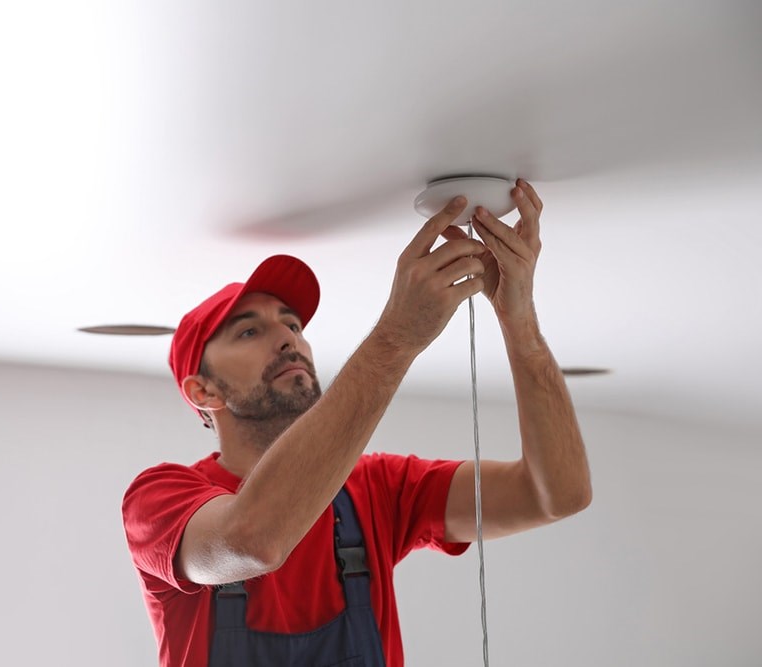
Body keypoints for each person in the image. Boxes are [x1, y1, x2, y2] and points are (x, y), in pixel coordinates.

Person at [122, 179, 592, 666]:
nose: (288, 339)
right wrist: (395, 338)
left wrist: (520, 321)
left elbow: (556, 493)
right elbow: (253, 541)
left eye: (293, 324)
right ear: (204, 391)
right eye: (249, 331)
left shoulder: (377, 488)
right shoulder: (159, 499)